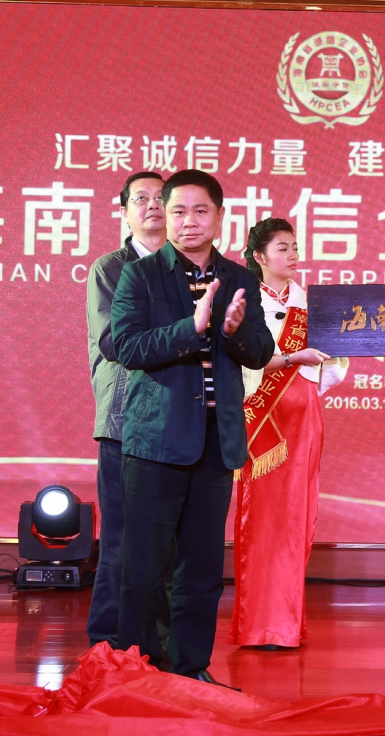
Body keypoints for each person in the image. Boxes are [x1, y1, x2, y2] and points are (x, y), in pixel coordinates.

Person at [111, 169, 274, 687]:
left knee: (201, 571)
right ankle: (139, 671)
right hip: (154, 442)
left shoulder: (241, 278)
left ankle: (189, 670)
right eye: (177, 211)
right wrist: (193, 327)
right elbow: (127, 347)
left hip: (214, 443)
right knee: (144, 570)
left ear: (220, 217)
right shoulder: (140, 275)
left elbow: (261, 351)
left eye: (200, 211)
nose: (188, 221)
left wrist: (234, 331)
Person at [228, 218, 348, 650]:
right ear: (259, 256)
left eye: (295, 247)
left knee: (298, 514)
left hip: (303, 416)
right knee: (260, 517)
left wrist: (319, 364)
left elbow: (334, 364)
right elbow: (238, 357)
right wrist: (291, 359)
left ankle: (286, 625)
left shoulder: (311, 303)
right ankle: (258, 625)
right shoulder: (243, 300)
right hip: (261, 417)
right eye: (283, 248)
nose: (293, 255)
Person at [85, 171, 173, 651]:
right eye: (142, 198)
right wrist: (185, 332)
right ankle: (107, 641)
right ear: (124, 212)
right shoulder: (110, 269)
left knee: (169, 541)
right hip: (125, 420)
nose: (153, 205)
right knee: (121, 538)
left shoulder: (191, 267)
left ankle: (157, 643)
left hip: (179, 424)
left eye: (161, 198)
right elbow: (114, 341)